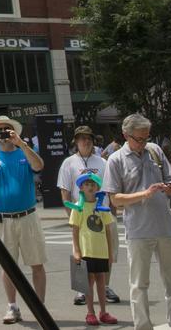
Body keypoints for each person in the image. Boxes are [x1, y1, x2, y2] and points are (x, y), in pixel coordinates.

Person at [102, 113, 171, 330]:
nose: (143, 143)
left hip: (165, 226)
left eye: (146, 138)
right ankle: (143, 327)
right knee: (139, 285)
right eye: (139, 139)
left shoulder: (155, 151)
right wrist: (144, 194)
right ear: (126, 135)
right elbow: (115, 199)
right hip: (139, 229)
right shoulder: (116, 159)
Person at [0, 115, 46, 325]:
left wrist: (22, 144)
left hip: (27, 216)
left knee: (36, 263)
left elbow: (38, 166)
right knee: (8, 266)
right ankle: (12, 306)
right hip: (3, 219)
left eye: (7, 129)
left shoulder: (22, 153)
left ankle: (40, 307)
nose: (3, 134)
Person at [57, 125, 120, 307]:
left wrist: (113, 214)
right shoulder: (69, 163)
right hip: (82, 215)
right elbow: (65, 192)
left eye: (89, 139)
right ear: (76, 142)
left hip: (103, 214)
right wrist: (72, 217)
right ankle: (82, 289)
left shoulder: (102, 162)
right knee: (82, 253)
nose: (86, 141)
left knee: (107, 251)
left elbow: (110, 189)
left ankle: (105, 286)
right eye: (82, 138)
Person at [68, 173, 119, 326]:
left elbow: (108, 231)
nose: (90, 187)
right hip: (86, 250)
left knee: (101, 281)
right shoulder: (79, 207)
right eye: (86, 185)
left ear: (97, 188)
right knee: (88, 281)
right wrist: (76, 250)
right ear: (81, 188)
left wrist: (110, 252)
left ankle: (103, 311)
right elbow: (75, 230)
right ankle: (90, 312)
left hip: (101, 250)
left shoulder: (102, 207)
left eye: (93, 185)